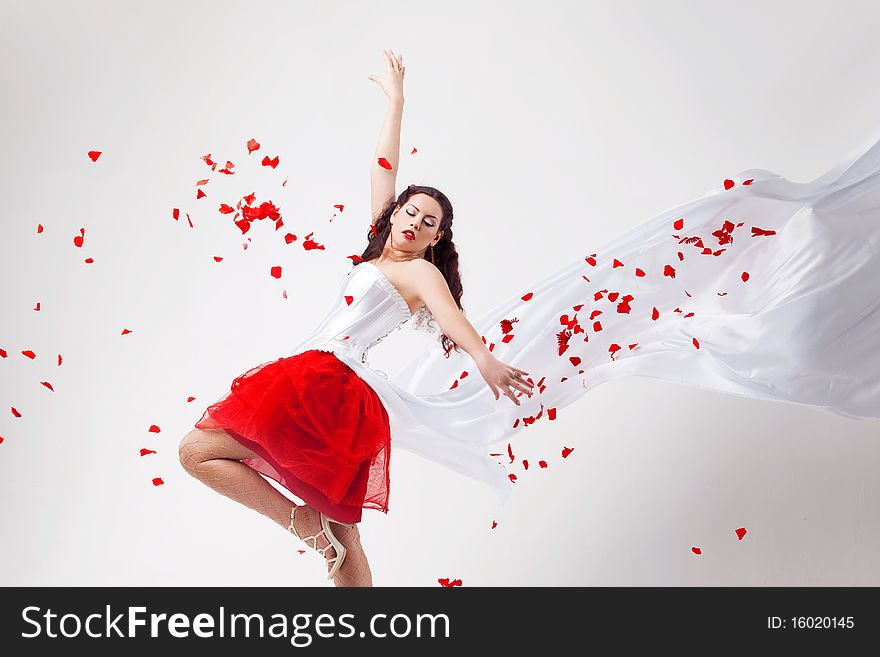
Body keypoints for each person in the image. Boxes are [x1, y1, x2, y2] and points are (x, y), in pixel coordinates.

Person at [178, 49, 533, 587]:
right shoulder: (380, 253)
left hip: (326, 381)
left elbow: (450, 315)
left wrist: (484, 358)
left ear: (438, 238)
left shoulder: (420, 274)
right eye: (409, 211)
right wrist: (396, 103)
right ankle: (316, 531)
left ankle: (307, 525)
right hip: (325, 383)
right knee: (341, 539)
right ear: (394, 216)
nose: (414, 222)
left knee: (199, 450)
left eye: (428, 222)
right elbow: (382, 168)